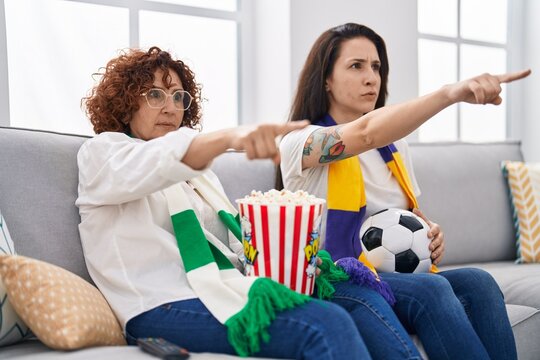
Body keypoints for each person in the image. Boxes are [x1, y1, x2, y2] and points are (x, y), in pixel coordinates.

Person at [75, 46, 423, 360]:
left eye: (179, 97)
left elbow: (235, 247)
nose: (170, 107)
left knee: (356, 294)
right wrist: (227, 137)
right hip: (157, 305)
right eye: (155, 94)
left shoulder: (199, 176)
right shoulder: (104, 154)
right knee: (323, 322)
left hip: (227, 285)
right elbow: (158, 162)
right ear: (124, 102)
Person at [279, 23, 530, 360]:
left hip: (395, 276)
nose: (371, 77)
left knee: (479, 282)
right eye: (356, 66)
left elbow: (412, 217)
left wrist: (431, 235)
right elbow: (366, 133)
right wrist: (449, 93)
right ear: (326, 78)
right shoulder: (300, 144)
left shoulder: (395, 148)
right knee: (432, 289)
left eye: (376, 67)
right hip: (336, 277)